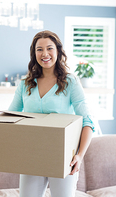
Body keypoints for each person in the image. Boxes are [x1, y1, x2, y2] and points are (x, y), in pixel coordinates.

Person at [8, 30, 94, 197]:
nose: (45, 54)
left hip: (63, 157)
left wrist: (80, 156)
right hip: (31, 154)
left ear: (58, 51)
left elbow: (88, 121)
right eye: (39, 49)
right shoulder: (25, 84)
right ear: (34, 53)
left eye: (49, 48)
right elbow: (10, 117)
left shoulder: (70, 82)